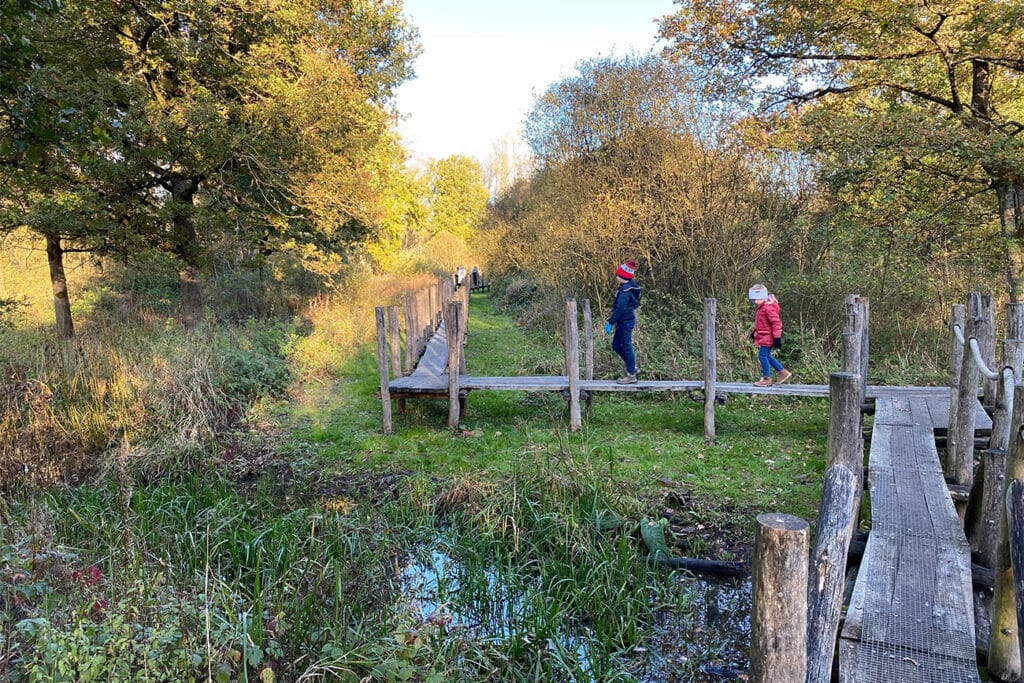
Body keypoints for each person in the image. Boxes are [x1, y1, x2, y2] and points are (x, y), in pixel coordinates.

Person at [605, 261, 642, 384]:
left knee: (626, 346)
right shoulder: (627, 287)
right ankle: (632, 367)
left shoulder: (625, 292)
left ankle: (631, 374)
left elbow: (619, 309)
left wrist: (610, 322)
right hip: (623, 321)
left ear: (623, 277)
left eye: (617, 275)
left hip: (625, 322)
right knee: (616, 345)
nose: (616, 277)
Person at [748, 284, 792, 387]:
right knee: (766, 355)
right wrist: (755, 333)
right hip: (764, 336)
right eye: (753, 299)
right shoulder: (762, 307)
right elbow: (763, 324)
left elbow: (776, 323)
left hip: (769, 337)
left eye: (756, 299)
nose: (754, 301)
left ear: (762, 297)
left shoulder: (768, 308)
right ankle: (783, 372)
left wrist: (777, 337)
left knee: (762, 356)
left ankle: (766, 378)